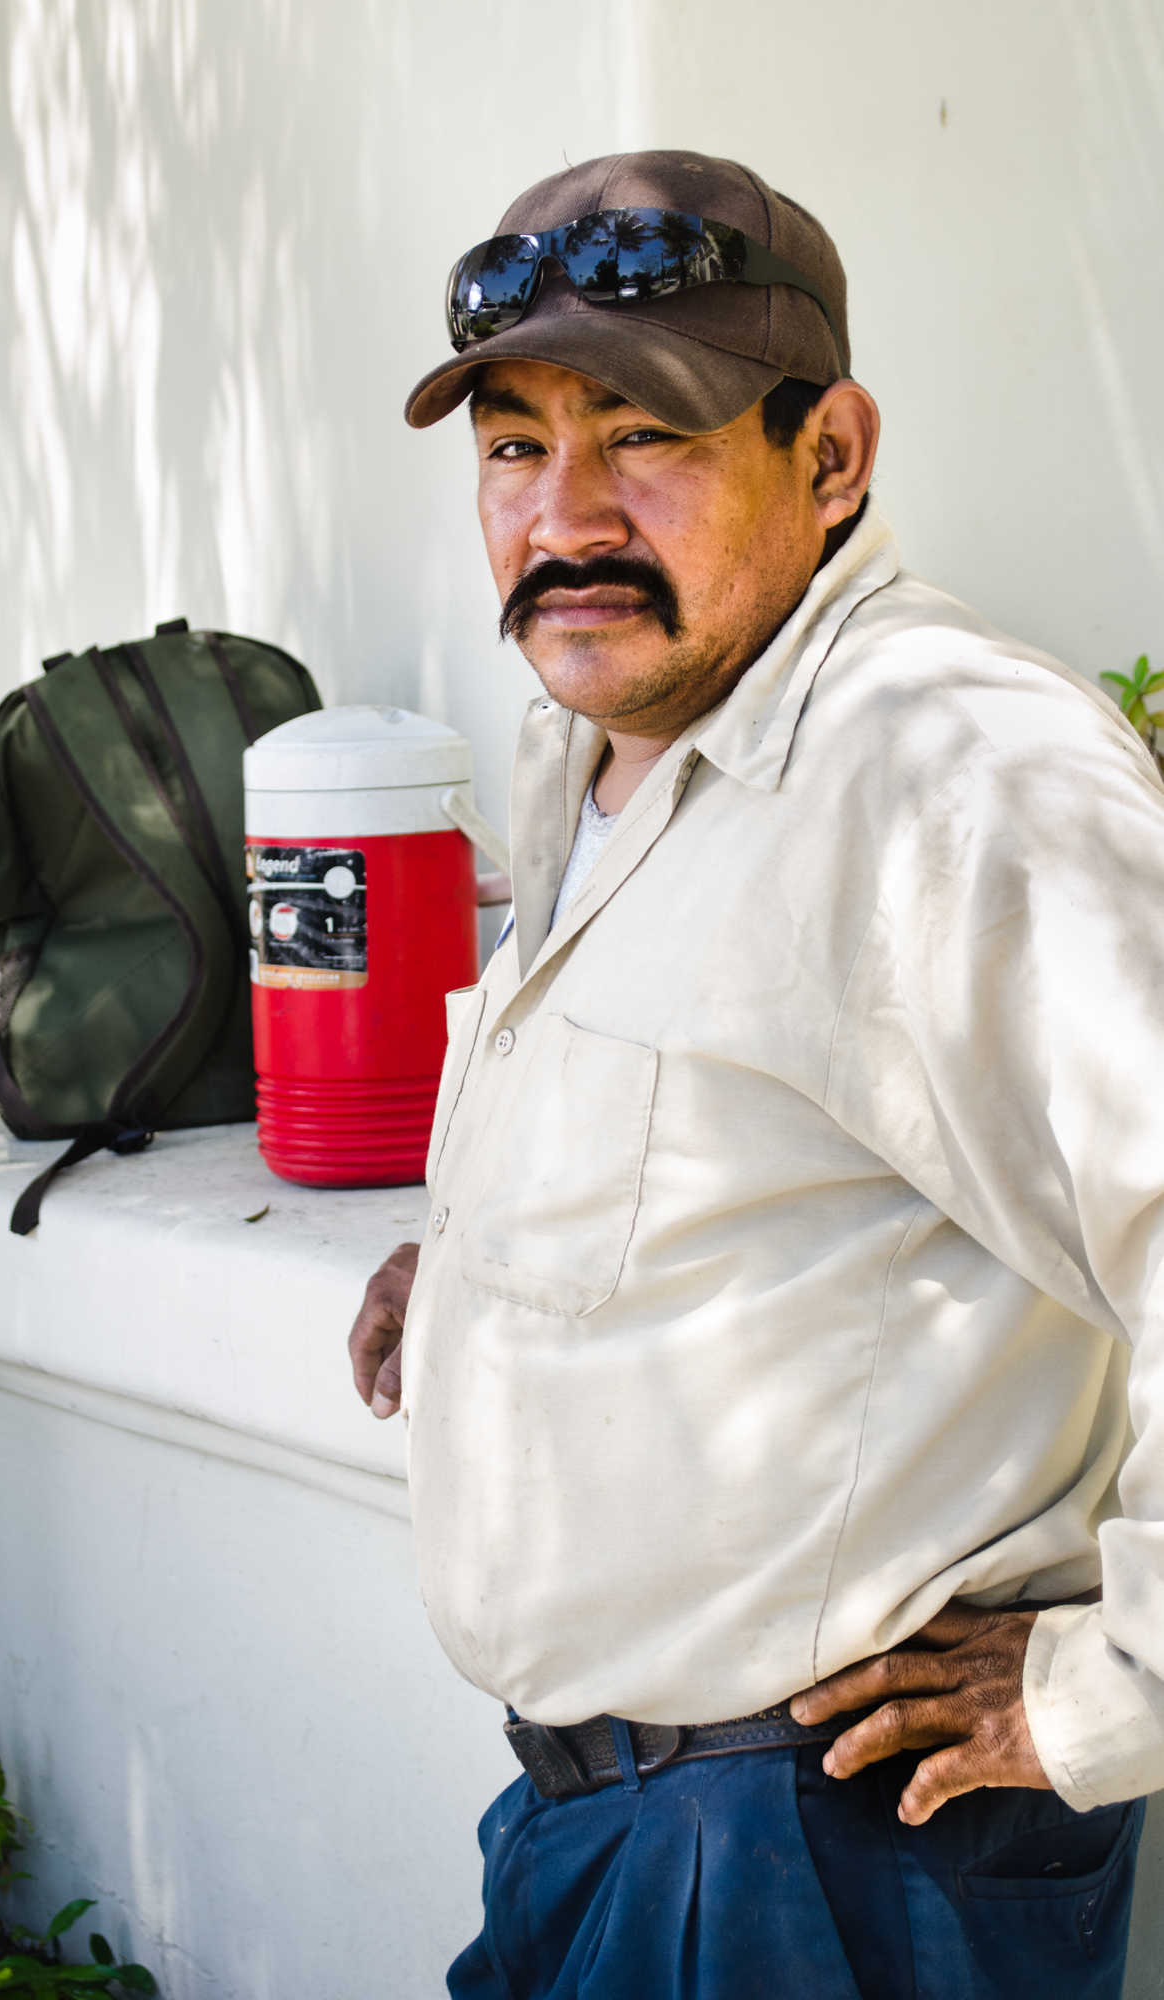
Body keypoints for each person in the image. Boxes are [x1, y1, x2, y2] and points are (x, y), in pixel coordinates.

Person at [347, 150, 1160, 1998]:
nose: (563, 515)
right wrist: (483, 1270)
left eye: (644, 436)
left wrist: (1112, 1691)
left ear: (832, 456)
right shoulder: (619, 741)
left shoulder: (952, 766)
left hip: (821, 1863)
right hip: (615, 1828)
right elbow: (750, 1143)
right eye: (513, 445)